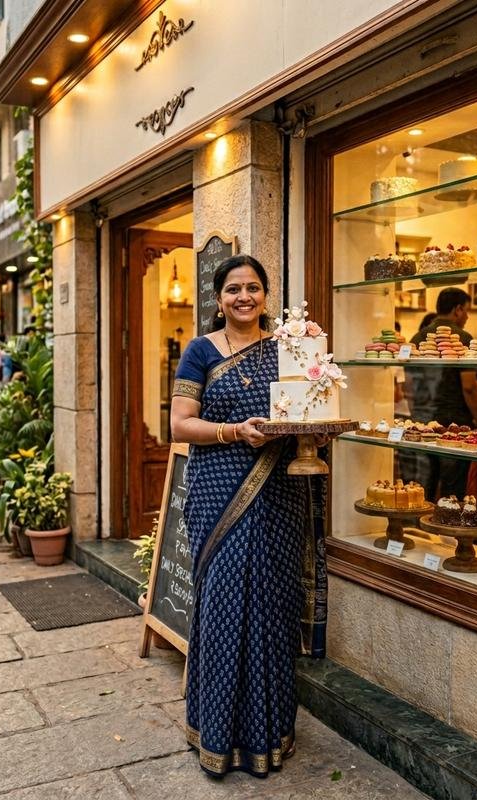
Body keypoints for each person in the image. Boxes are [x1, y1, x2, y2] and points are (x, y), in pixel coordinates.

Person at [170, 255, 327, 777]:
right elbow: (180, 425)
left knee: (272, 609)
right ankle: (215, 734)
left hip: (279, 493)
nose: (244, 297)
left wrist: (316, 420)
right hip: (220, 494)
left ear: (266, 295)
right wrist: (236, 430)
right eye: (233, 288)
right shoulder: (200, 351)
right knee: (224, 607)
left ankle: (269, 735)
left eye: (253, 288)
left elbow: (305, 410)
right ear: (219, 298)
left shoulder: (289, 349)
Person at [408, 288, 477, 499]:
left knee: (423, 486)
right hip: (455, 421)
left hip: (422, 419)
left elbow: (409, 385)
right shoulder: (463, 338)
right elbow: (469, 387)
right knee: (453, 487)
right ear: (458, 309)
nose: (468, 316)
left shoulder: (417, 338)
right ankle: (448, 531)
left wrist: (415, 416)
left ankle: (420, 530)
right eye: (467, 310)